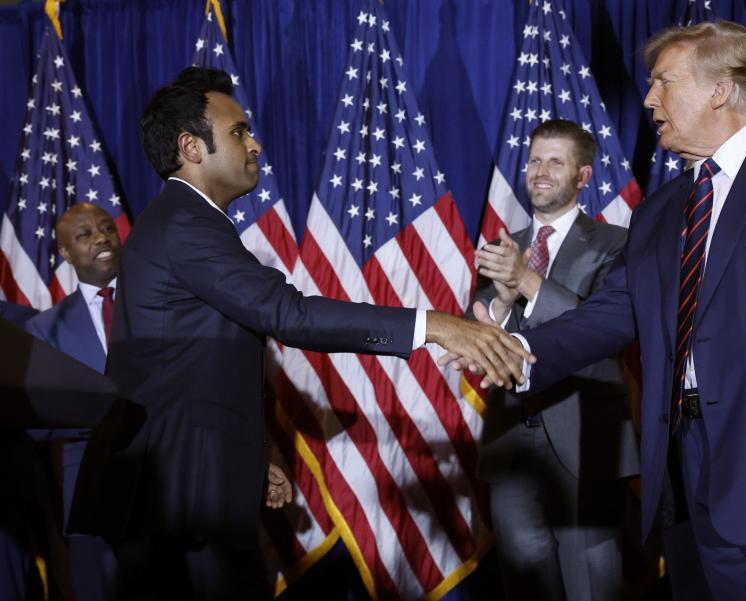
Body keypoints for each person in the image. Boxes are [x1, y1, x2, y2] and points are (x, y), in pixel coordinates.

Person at [465, 20, 746, 599]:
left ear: (720, 89)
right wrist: (514, 349)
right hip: (692, 482)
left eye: (663, 82)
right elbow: (612, 311)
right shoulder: (660, 210)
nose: (650, 99)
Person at [71, 66, 528, 601]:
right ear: (191, 147)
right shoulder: (183, 224)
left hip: (187, 489)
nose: (255, 143)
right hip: (177, 503)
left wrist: (254, 450)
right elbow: (290, 315)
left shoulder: (185, 222)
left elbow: (188, 364)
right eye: (239, 131)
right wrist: (436, 326)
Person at [471, 119, 638, 600]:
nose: (540, 171)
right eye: (534, 160)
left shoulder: (617, 245)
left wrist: (525, 281)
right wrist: (501, 303)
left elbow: (604, 330)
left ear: (582, 177)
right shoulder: (504, 247)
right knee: (524, 583)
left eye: (555, 162)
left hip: (586, 434)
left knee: (593, 583)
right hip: (510, 443)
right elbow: (479, 329)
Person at [25, 203, 121, 601]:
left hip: (169, 484)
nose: (100, 237)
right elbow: (35, 418)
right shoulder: (45, 330)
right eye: (84, 234)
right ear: (65, 252)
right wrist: (108, 414)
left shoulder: (162, 302)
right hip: (92, 492)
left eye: (106, 228)